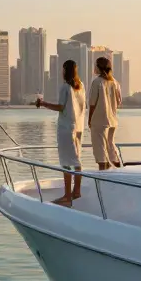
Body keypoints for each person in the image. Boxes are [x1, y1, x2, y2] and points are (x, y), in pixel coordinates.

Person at [35, 59, 86, 203]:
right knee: (76, 160)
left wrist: (43, 103)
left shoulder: (65, 87)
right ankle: (76, 192)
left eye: (63, 69)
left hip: (66, 128)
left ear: (65, 70)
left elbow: (60, 107)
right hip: (78, 127)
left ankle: (67, 196)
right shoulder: (81, 86)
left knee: (65, 162)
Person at [88, 56, 123, 170]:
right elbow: (119, 102)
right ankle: (121, 171)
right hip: (112, 121)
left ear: (99, 67)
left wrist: (89, 120)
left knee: (101, 153)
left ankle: (103, 181)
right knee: (110, 148)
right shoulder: (115, 83)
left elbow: (92, 103)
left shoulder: (97, 82)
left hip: (99, 121)